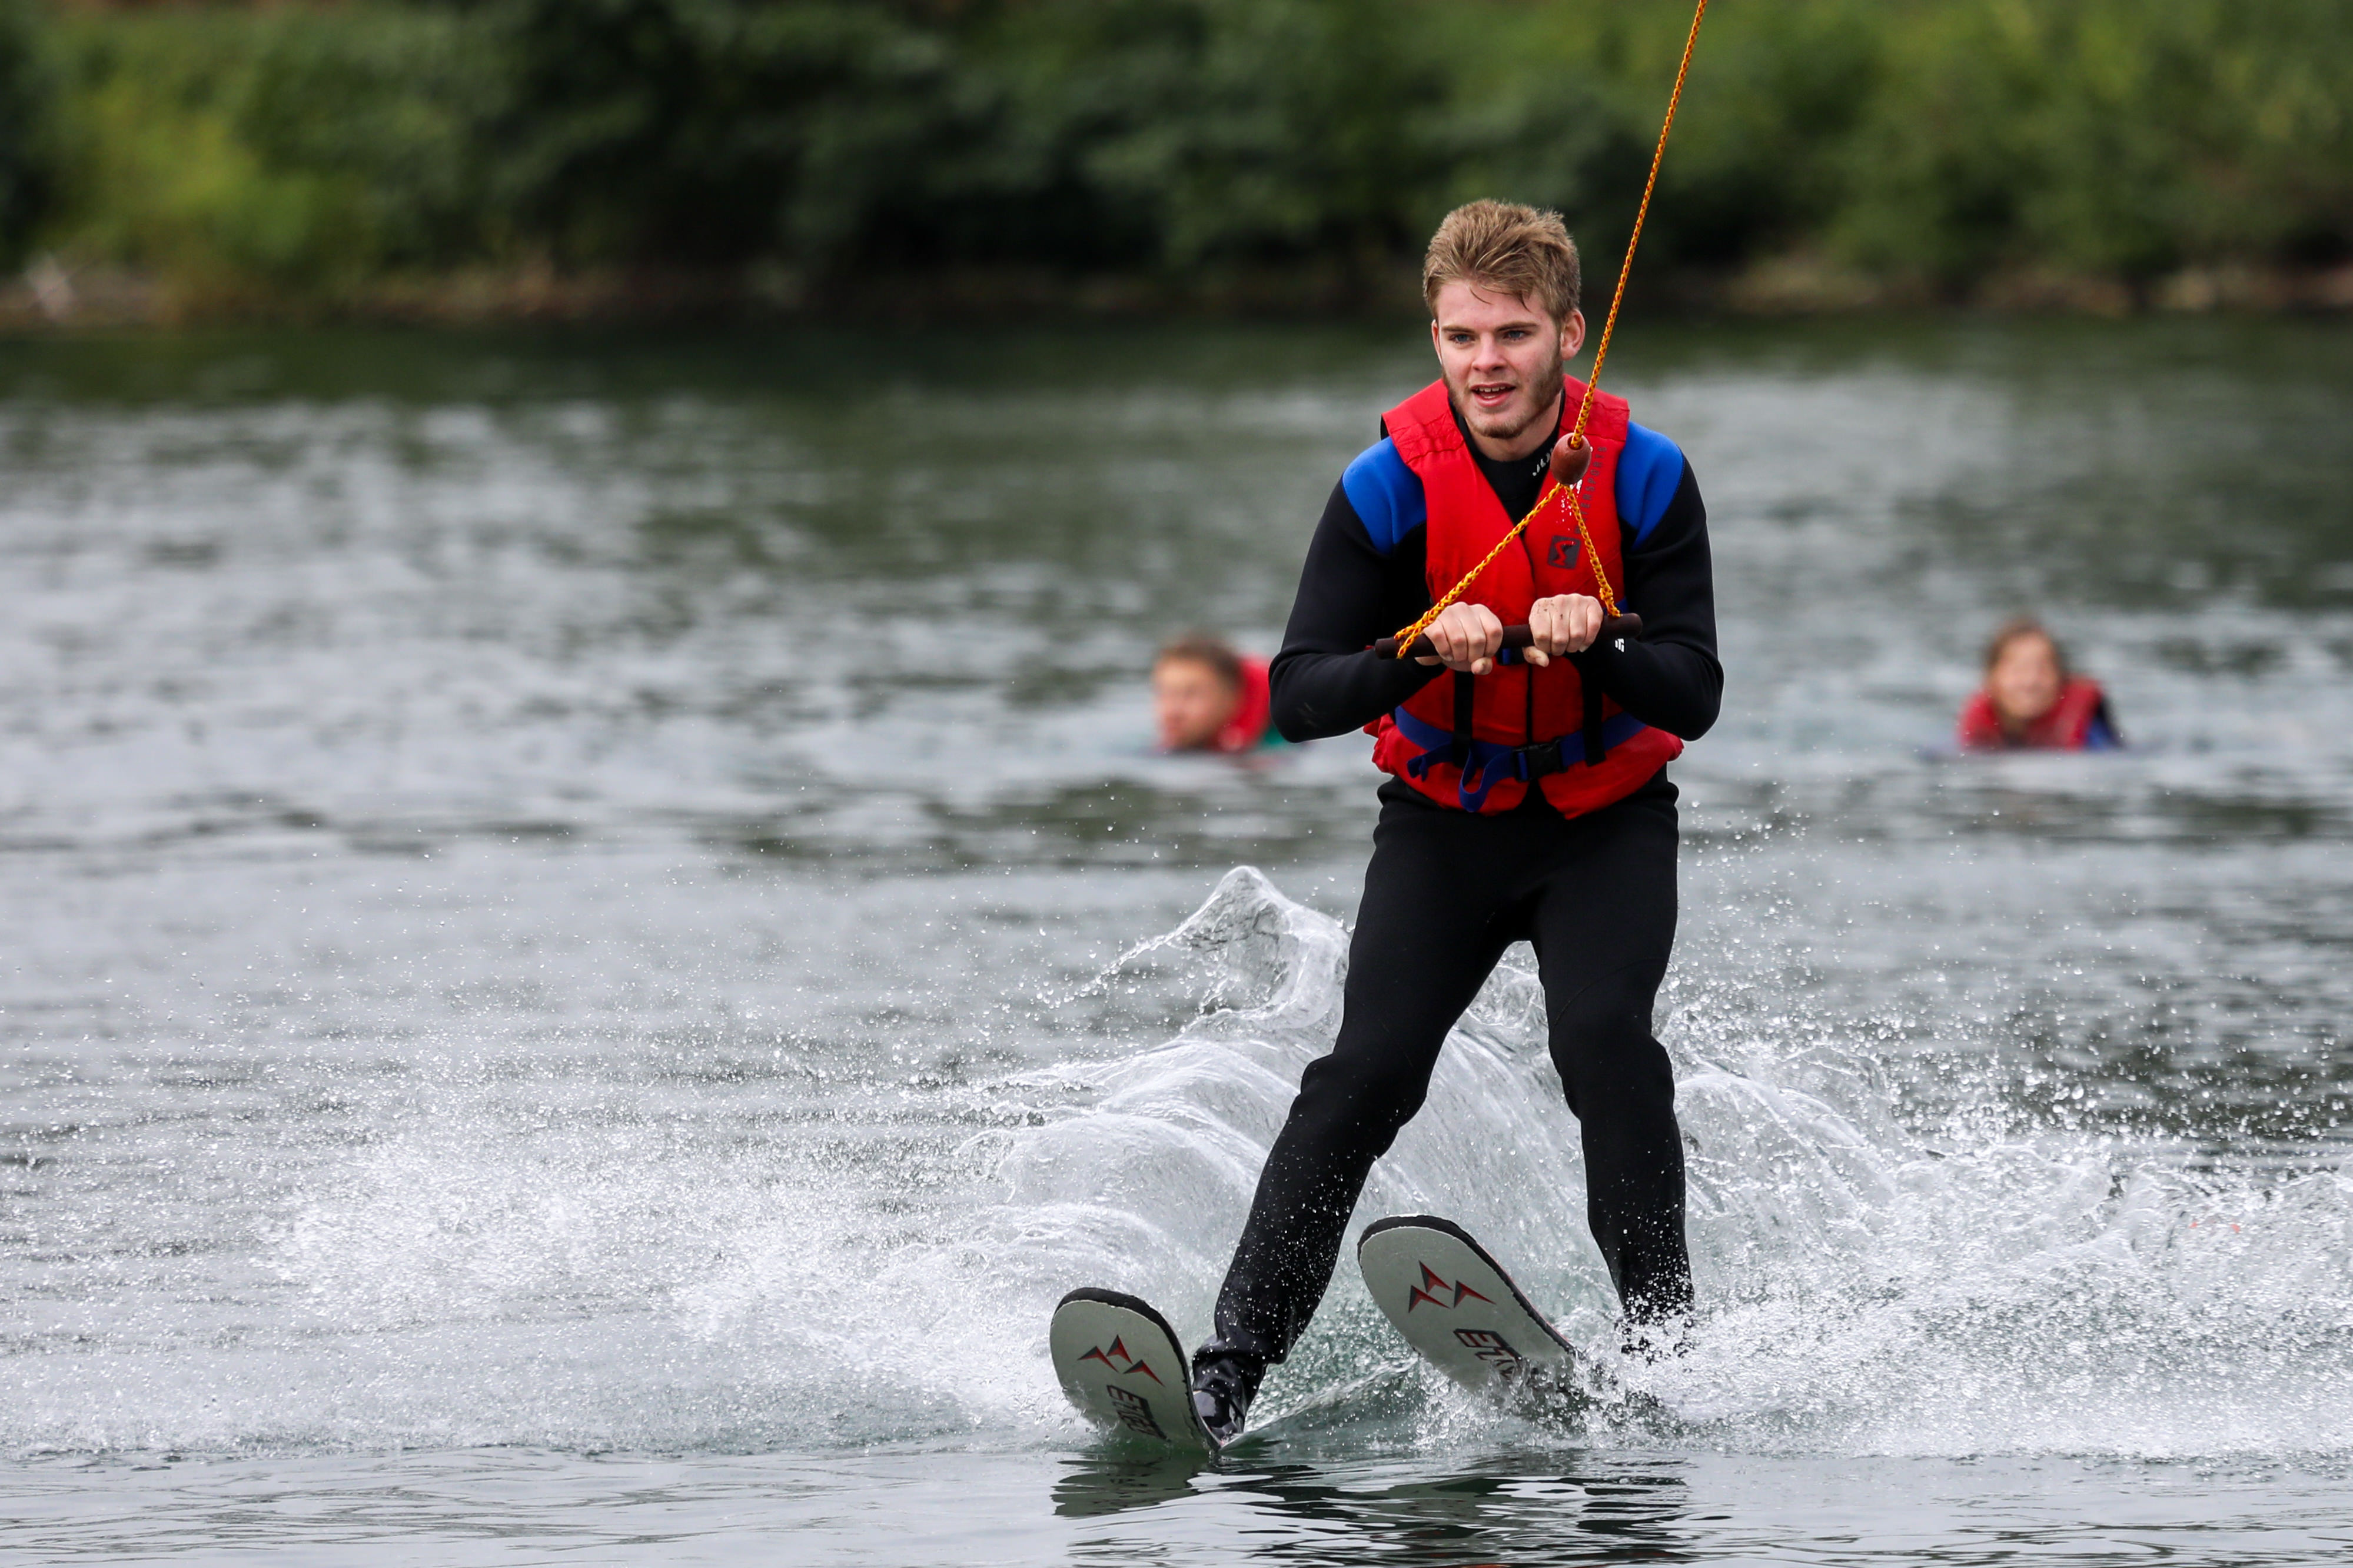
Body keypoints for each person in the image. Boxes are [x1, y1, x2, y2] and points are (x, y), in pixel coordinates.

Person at [1186, 200, 1721, 1442]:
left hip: (1603, 821)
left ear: (1568, 335)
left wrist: (1607, 639)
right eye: (1460, 335)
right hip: (1444, 823)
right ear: (1433, 337)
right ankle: (1231, 1366)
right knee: (1363, 1075)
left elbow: (1694, 693)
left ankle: (1671, 1359)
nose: (1485, 362)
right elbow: (1298, 694)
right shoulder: (1385, 486)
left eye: (1513, 334)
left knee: (1606, 1048)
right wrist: (1417, 648)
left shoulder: (1645, 475)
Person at [1955, 618, 2121, 751]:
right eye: (2018, 669)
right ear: (1992, 678)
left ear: (2061, 678)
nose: (2031, 682)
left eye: (2043, 669)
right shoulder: (1975, 738)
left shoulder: (2092, 737)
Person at [1152, 634, 1276, 753]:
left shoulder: (1274, 750)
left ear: (1230, 699)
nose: (1173, 713)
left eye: (1191, 695)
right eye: (1166, 694)